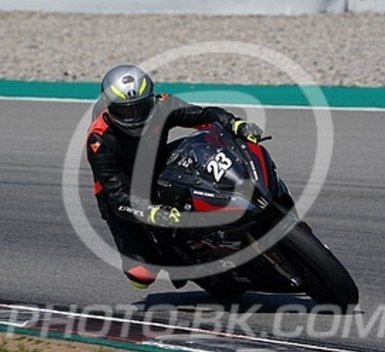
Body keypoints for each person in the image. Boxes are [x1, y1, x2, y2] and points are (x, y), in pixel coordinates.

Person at [86, 64, 263, 289]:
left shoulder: (163, 105)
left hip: (158, 162)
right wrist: (150, 212)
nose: (134, 117)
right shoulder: (99, 140)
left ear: (152, 99)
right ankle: (178, 260)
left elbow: (204, 115)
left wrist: (236, 124)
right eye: (125, 112)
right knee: (141, 276)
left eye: (140, 108)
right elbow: (116, 194)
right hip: (124, 190)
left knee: (203, 145)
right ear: (110, 109)